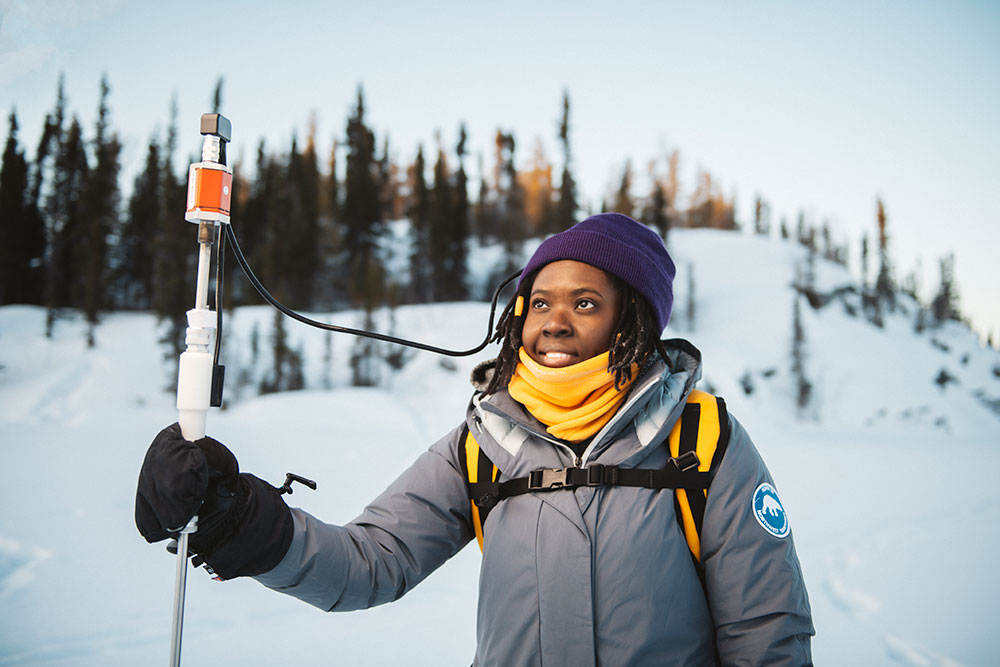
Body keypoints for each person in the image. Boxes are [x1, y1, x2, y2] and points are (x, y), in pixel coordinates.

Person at [136, 213, 814, 665]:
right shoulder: (482, 444)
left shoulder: (703, 440)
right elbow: (371, 560)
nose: (554, 320)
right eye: (539, 301)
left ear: (630, 320)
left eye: (585, 302)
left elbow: (766, 634)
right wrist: (242, 520)